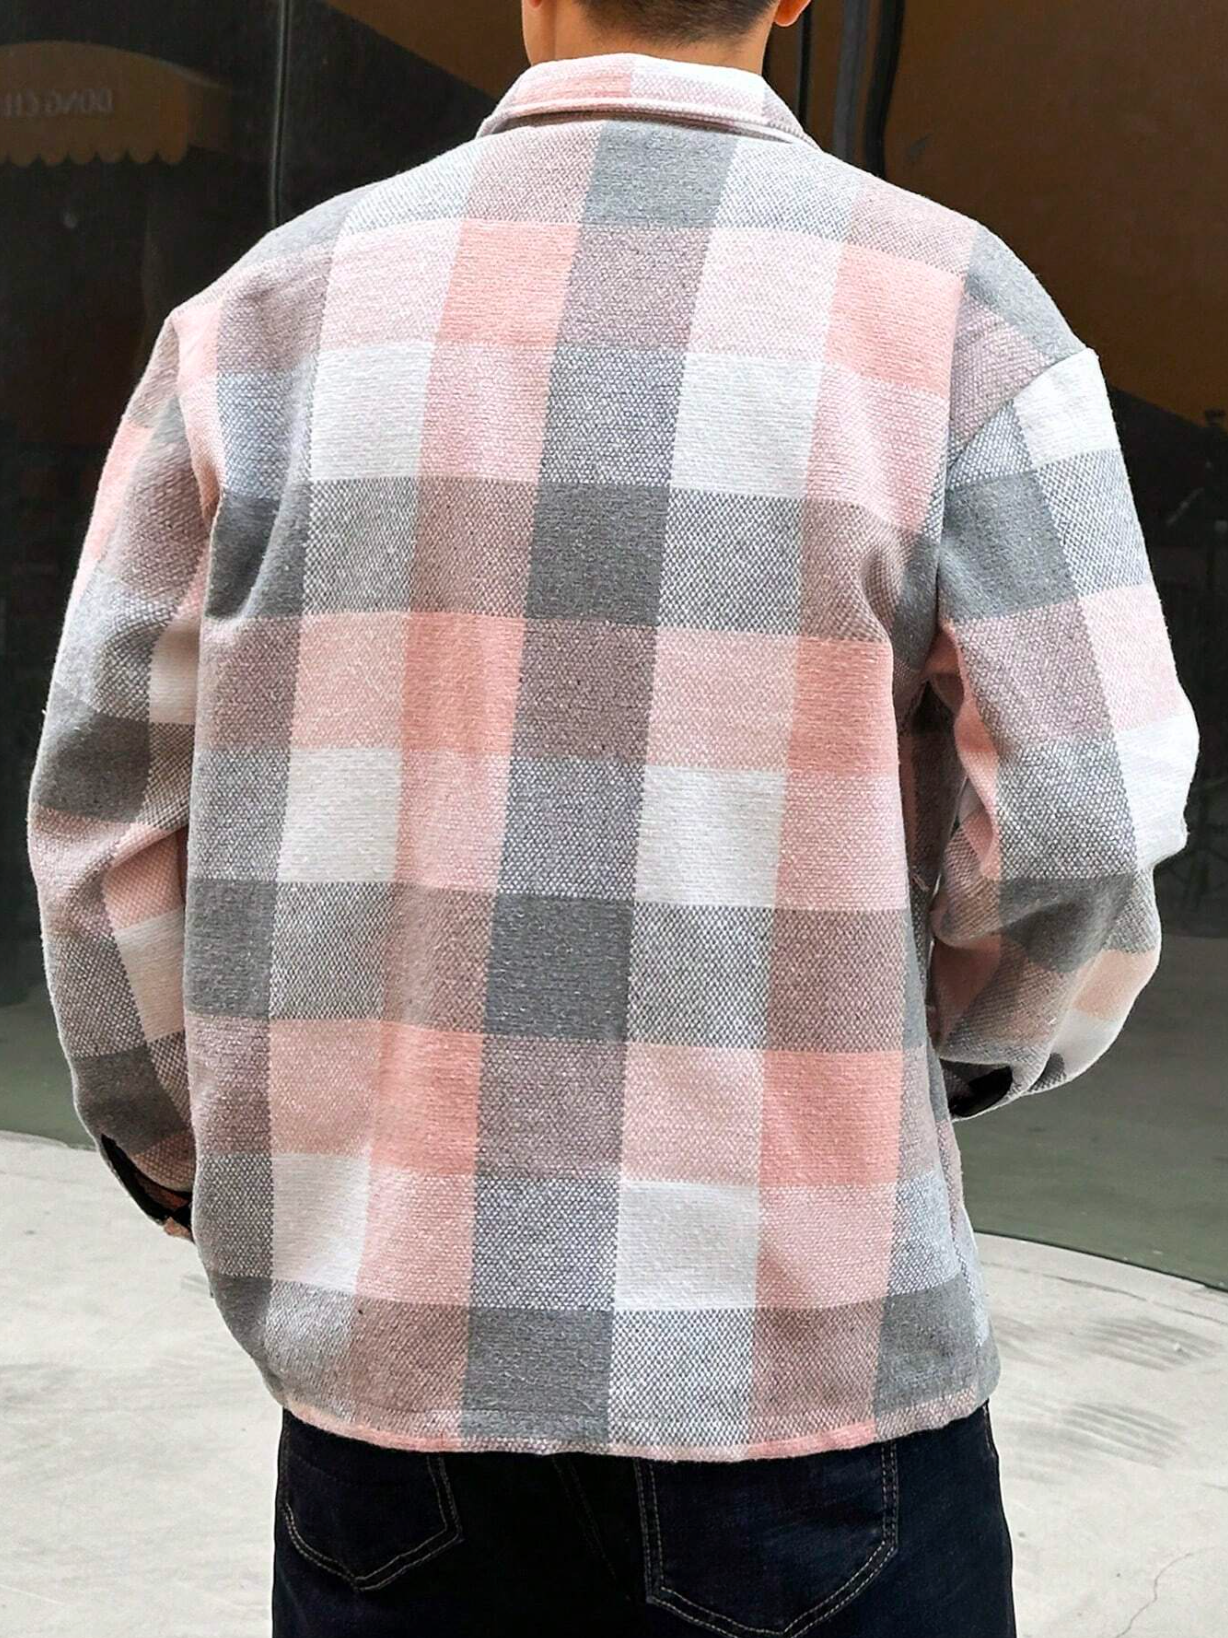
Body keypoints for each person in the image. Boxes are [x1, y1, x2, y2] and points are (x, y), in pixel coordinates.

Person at [27, 0, 1198, 1632]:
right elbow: (1084, 809)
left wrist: (193, 1155)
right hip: (806, 1365)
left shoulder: (262, 321)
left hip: (396, 1360)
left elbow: (106, 825)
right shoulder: (959, 316)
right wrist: (936, 1058)